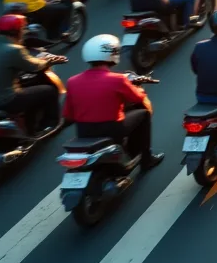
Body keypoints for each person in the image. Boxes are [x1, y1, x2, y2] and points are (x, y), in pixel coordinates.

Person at [65, 35, 164, 168]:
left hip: (83, 132)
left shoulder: (72, 81)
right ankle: (146, 159)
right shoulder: (118, 79)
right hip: (112, 130)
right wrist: (139, 88)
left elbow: (68, 115)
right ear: (113, 54)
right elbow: (137, 98)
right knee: (143, 113)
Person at [0, 14, 62, 134]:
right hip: (4, 102)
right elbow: (33, 66)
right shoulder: (14, 50)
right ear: (18, 32)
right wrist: (49, 60)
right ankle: (49, 125)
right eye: (23, 30)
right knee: (49, 90)